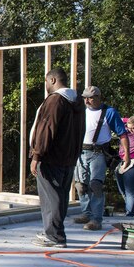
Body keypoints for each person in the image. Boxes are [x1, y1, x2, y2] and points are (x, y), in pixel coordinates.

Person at [28, 68, 86, 248]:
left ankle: (54, 236)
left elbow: (47, 129)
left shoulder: (55, 100)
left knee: (51, 198)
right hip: (68, 157)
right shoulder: (77, 101)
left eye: (46, 81)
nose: (46, 85)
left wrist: (37, 155)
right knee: (59, 196)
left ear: (52, 80)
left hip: (51, 157)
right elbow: (80, 130)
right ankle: (55, 232)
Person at [74, 86, 129, 231]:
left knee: (96, 185)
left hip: (98, 152)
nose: (87, 101)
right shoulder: (81, 110)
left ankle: (96, 219)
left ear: (98, 97)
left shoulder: (109, 112)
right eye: (84, 97)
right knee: (80, 185)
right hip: (81, 152)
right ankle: (86, 213)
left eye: (90, 98)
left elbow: (122, 134)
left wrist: (127, 156)